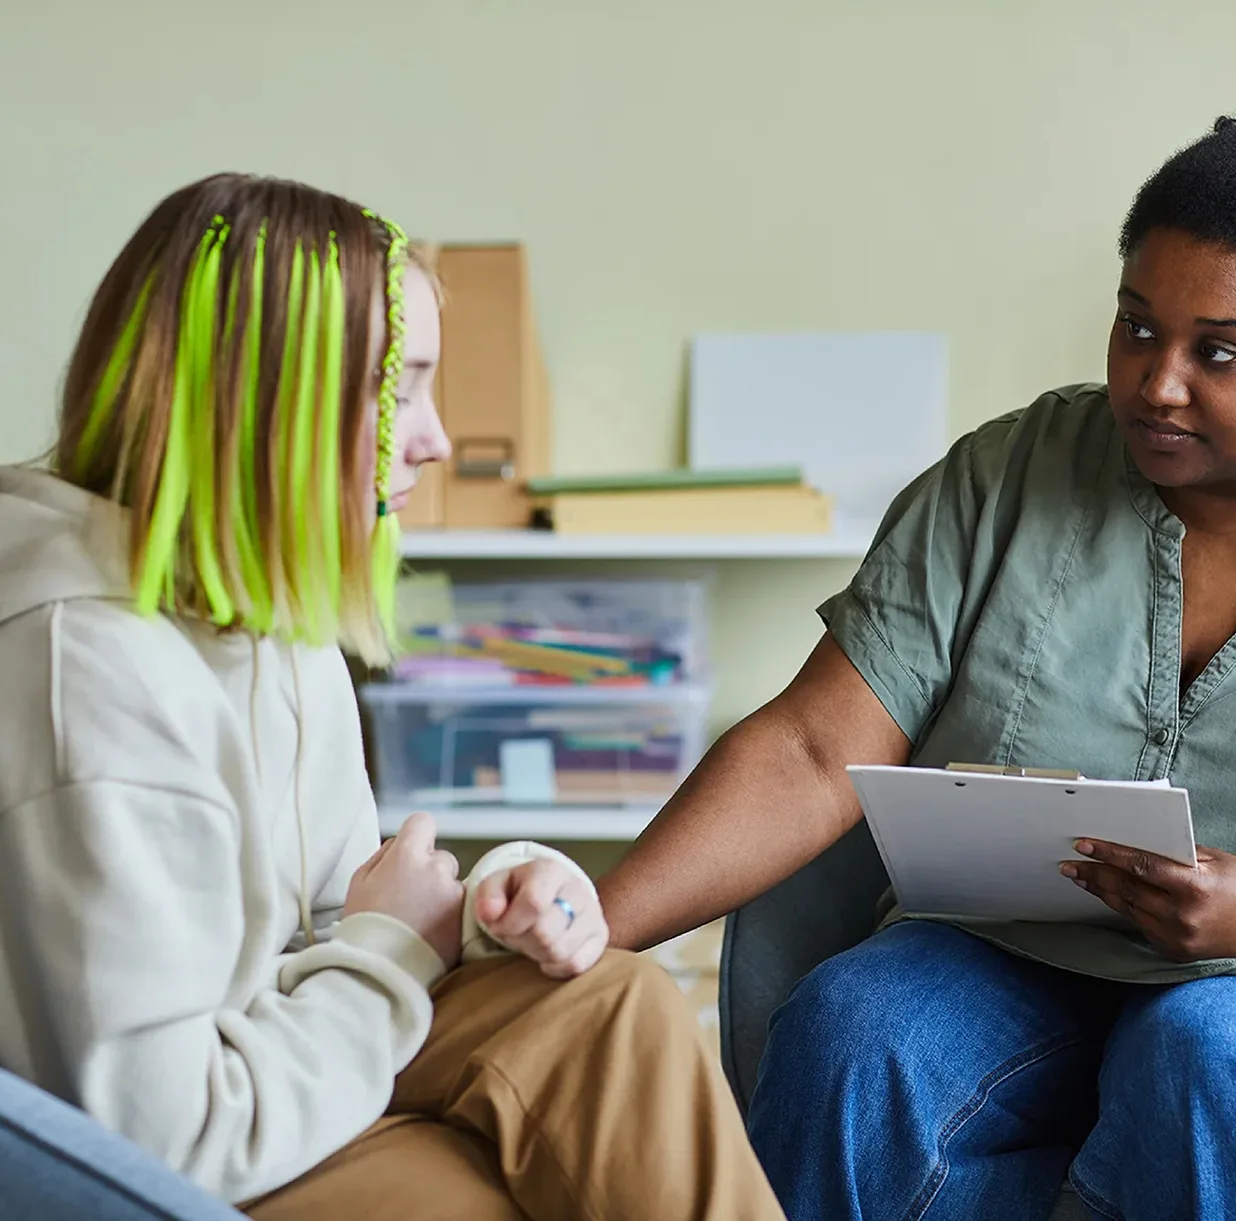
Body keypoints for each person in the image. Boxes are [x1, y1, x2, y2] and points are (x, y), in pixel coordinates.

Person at [597, 83, 1236, 1221]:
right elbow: (815, 746)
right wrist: (591, 931)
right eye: (1136, 325)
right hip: (1020, 958)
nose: (1156, 383)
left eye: (1220, 353)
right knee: (859, 1029)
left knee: (1213, 1049)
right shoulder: (1007, 475)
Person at [0, 174, 783, 1221]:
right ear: (274, 400)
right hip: (178, 1153)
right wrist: (386, 949)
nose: (437, 440)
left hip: (273, 1060)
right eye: (400, 389)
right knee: (484, 1195)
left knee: (620, 1001)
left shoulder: (268, 616)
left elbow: (338, 908)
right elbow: (165, 1140)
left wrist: (499, 904)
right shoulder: (84, 670)